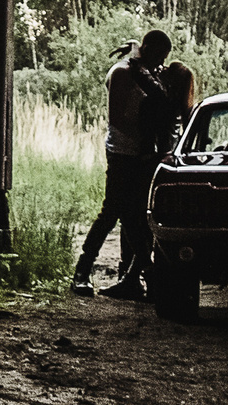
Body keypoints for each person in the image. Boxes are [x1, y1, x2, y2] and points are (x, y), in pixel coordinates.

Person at [71, 28, 169, 298]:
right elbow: (116, 118)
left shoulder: (146, 73)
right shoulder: (122, 73)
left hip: (142, 154)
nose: (161, 62)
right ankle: (82, 271)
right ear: (147, 49)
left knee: (134, 215)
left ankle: (139, 275)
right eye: (159, 55)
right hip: (122, 152)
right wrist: (146, 137)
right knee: (112, 211)